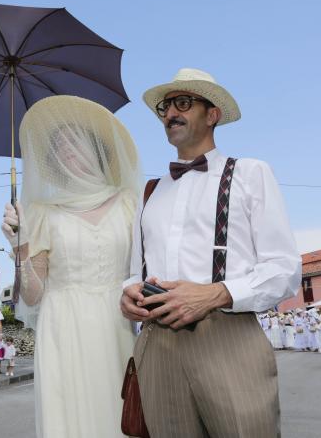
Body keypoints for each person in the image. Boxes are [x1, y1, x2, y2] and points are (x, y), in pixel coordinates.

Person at [120, 68, 302, 437]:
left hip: (228, 336)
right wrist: (128, 294)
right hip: (157, 345)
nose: (171, 113)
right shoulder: (149, 192)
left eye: (183, 103)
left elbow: (284, 269)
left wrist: (215, 293)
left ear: (212, 114)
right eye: (165, 107)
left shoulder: (250, 173)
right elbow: (133, 271)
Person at [1, 95, 140, 437]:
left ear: (96, 150)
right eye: (59, 147)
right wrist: (18, 245)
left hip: (117, 320)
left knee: (122, 411)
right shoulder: (42, 214)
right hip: (62, 323)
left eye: (74, 142)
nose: (67, 152)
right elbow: (33, 296)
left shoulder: (129, 204)